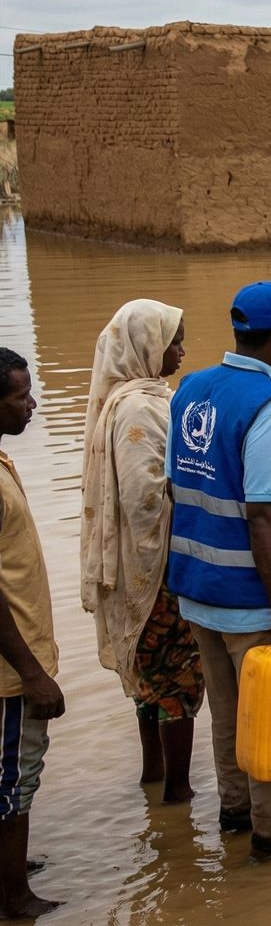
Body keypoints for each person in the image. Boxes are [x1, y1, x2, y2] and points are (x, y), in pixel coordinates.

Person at [166, 280, 271, 858]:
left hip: (201, 592)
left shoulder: (193, 390)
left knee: (229, 717)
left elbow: (181, 486)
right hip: (256, 602)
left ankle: (234, 813)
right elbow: (264, 516)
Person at [80, 300, 201, 804]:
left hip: (138, 565)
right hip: (156, 569)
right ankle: (178, 793)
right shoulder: (140, 407)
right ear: (146, 345)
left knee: (150, 679)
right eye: (173, 341)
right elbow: (144, 495)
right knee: (176, 678)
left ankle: (153, 780)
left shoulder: (126, 399)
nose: (181, 351)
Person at [0, 349, 64, 918]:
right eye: (20, 396)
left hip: (15, 661)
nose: (32, 404)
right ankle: (15, 897)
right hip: (9, 671)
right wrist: (31, 671)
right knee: (14, 776)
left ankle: (10, 870)